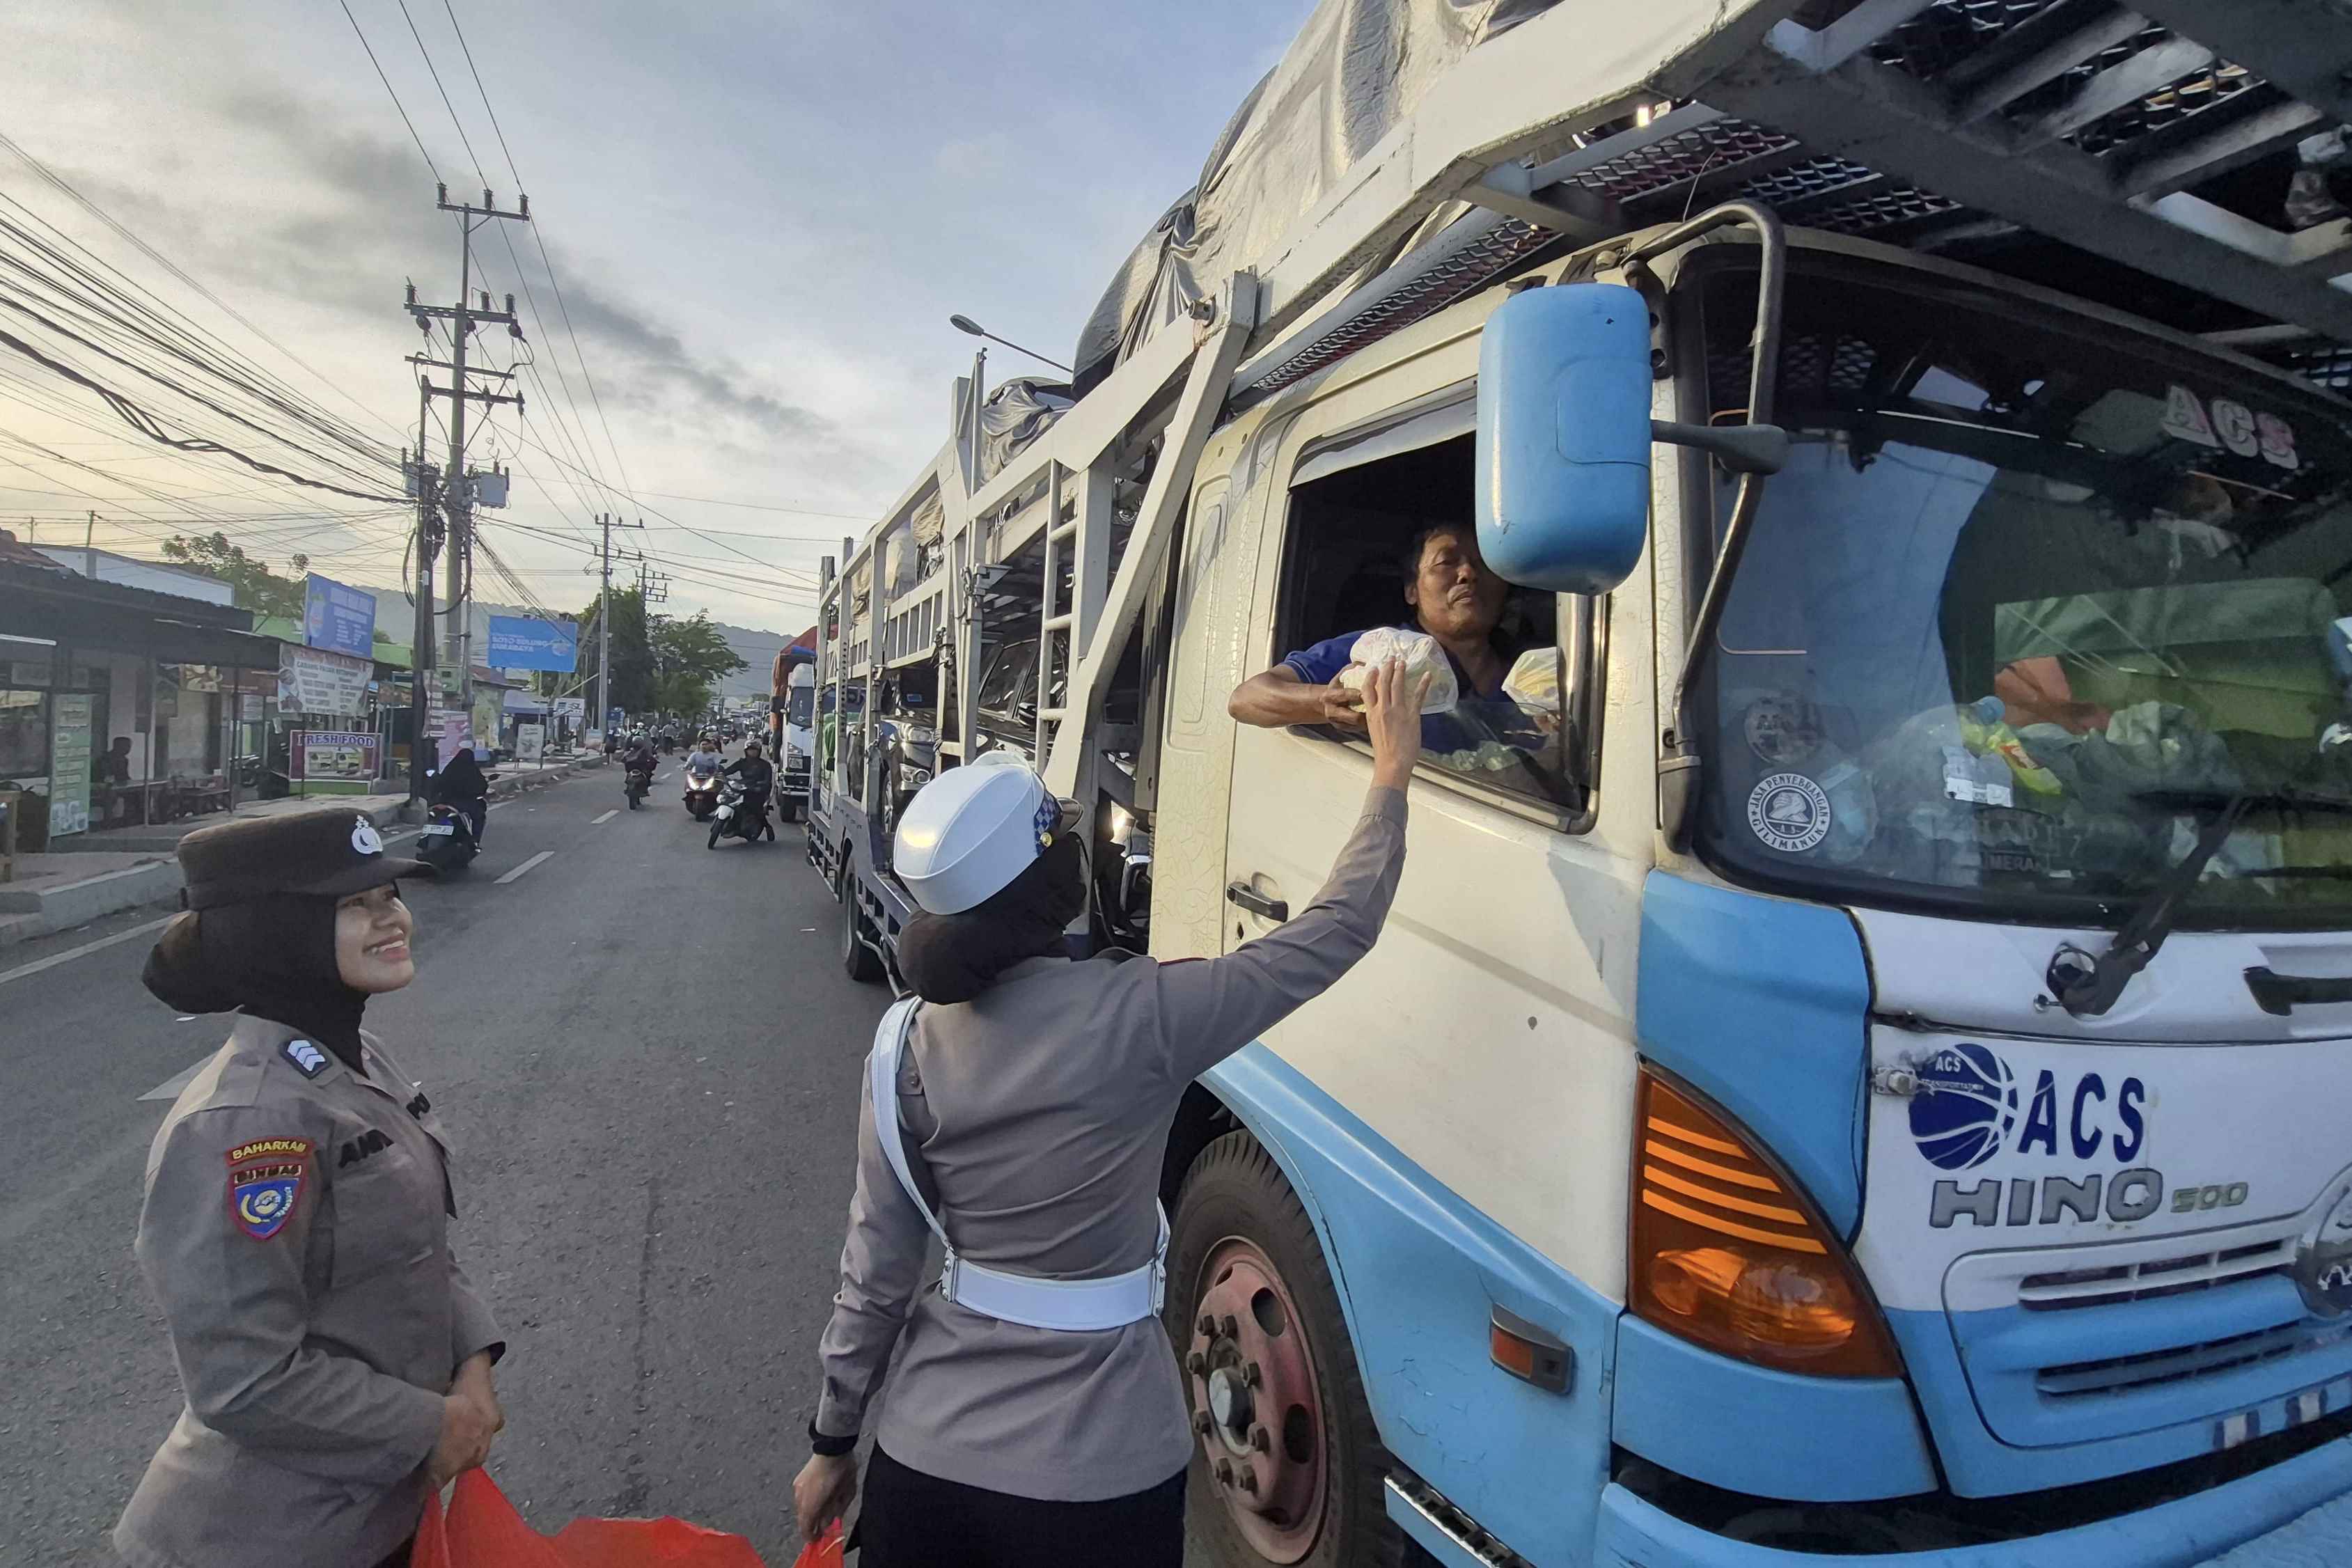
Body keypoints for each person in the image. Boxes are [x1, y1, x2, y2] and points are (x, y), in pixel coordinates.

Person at [794, 659, 1425, 1567]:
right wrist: (1391, 770)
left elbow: (876, 1270)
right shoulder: (1148, 1015)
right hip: (1102, 1480)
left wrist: (832, 1442)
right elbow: (1337, 927)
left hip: (924, 1466)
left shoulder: (904, 1045)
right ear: (1057, 883)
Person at [117, 809, 505, 1568]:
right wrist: (432, 1423)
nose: (392, 918)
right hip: (268, 1537)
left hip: (379, 1507)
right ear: (275, 930)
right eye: (354, 903)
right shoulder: (246, 1120)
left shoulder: (355, 1059)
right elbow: (243, 1380)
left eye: (389, 895)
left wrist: (474, 1357)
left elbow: (416, 1245)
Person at [1226, 522, 1523, 753]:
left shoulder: (1533, 668)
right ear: (1412, 591)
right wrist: (1327, 703)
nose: (1468, 573)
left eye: (1484, 563)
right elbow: (1246, 699)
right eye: (1446, 562)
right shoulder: (1378, 649)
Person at [430, 744, 489, 847]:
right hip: (465, 804)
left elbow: (438, 784)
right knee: (479, 817)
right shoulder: (472, 771)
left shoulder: (450, 769)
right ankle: (474, 841)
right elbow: (482, 787)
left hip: (446, 802)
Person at [723, 740, 776, 841]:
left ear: (759, 751)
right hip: (742, 787)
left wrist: (760, 788)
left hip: (758, 790)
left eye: (754, 750)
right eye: (750, 750)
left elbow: (768, 781)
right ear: (746, 751)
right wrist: (721, 774)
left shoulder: (765, 765)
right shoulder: (742, 762)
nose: (752, 752)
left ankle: (768, 827)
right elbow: (729, 770)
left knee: (756, 809)